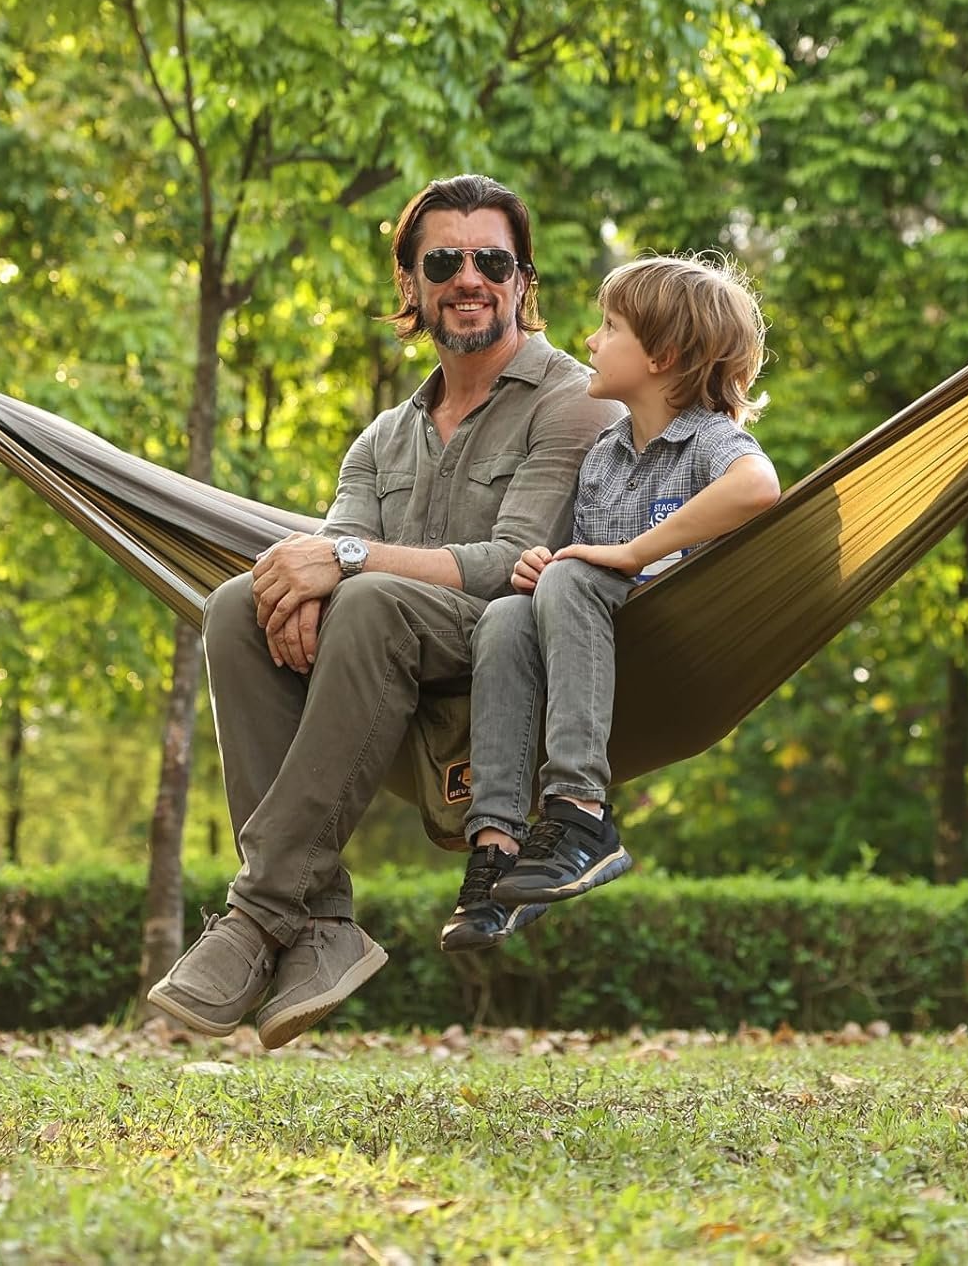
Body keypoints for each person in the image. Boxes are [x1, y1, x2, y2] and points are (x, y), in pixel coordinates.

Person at [147, 174, 621, 1047]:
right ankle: (322, 924)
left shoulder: (575, 402)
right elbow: (317, 577)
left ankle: (259, 915)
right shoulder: (381, 438)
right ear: (409, 284)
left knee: (365, 600)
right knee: (232, 608)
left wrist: (344, 560)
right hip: (385, 663)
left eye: (493, 260)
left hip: (513, 652)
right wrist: (304, 581)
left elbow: (506, 568)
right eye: (444, 259)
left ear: (522, 282)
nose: (468, 277)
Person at [440, 253, 781, 952]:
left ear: (664, 355)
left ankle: (581, 812)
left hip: (670, 651)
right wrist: (544, 565)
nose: (590, 340)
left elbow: (758, 490)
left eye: (609, 326)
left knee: (569, 580)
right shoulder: (605, 454)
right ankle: (499, 841)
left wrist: (628, 555)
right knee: (506, 611)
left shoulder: (709, 440)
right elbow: (576, 567)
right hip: (590, 659)